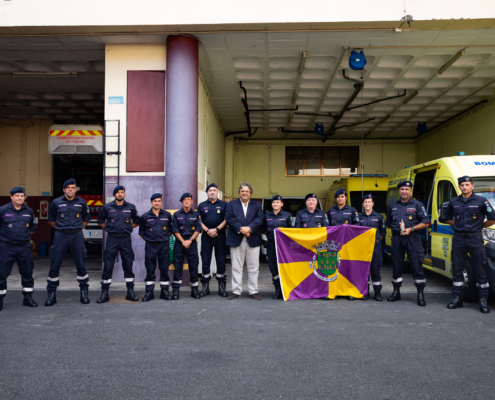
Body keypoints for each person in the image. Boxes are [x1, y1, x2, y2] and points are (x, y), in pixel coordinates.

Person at [443, 176, 495, 313]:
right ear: (459, 187)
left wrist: (479, 226)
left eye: (467, 184)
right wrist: (458, 225)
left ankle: (483, 300)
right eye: (462, 185)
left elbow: (492, 219)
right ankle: (457, 298)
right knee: (458, 268)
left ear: (472, 186)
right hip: (459, 238)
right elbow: (446, 218)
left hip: (475, 239)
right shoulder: (454, 202)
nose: (464, 187)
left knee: (480, 269)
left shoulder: (481, 201)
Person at [45, 178, 91, 306]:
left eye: (73, 188)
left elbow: (86, 218)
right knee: (55, 264)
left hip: (77, 236)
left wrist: (76, 229)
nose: (70, 190)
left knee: (81, 263)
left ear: (75, 190)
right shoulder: (56, 202)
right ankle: (51, 294)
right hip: (60, 236)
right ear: (64, 189)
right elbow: (51, 220)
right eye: (68, 188)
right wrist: (62, 229)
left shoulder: (82, 202)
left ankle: (84, 292)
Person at [386, 181, 429, 306]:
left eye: (406, 189)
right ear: (399, 191)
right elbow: (388, 222)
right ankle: (396, 291)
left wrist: (412, 229)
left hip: (413, 238)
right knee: (397, 265)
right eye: (402, 189)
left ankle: (420, 294)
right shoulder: (393, 206)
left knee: (417, 265)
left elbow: (425, 222)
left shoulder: (417, 205)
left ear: (410, 191)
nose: (404, 191)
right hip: (397, 239)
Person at [96, 185, 140, 304]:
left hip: (126, 239)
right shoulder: (107, 207)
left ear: (124, 194)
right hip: (112, 239)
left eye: (122, 192)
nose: (120, 194)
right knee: (108, 266)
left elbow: (137, 220)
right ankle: (104, 293)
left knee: (128, 265)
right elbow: (100, 221)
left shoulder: (131, 207)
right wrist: (110, 228)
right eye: (118, 192)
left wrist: (127, 228)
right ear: (114, 194)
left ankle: (130, 292)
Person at [0, 187, 38, 311]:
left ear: (24, 197)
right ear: (11, 197)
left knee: (27, 271)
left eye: (22, 196)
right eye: (17, 196)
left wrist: (23, 238)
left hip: (24, 247)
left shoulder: (29, 211)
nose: (20, 198)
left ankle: (27, 297)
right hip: (6, 247)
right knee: (1, 273)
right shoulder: (3, 210)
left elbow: (32, 228)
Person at [225, 183, 263, 300]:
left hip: (253, 238)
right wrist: (242, 230)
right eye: (242, 191)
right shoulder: (231, 204)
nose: (244, 193)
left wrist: (249, 228)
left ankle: (253, 291)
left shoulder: (257, 205)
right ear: (239, 193)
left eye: (247, 191)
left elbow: (259, 219)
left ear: (250, 193)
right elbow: (229, 218)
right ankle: (236, 291)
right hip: (236, 238)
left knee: (253, 267)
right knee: (236, 267)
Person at [138, 193, 173, 302]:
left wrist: (163, 239)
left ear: (161, 202)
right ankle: (149, 292)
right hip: (150, 246)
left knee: (164, 269)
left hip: (164, 246)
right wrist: (151, 240)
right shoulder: (145, 216)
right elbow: (142, 233)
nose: (157, 203)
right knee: (150, 269)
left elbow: (170, 231)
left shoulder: (167, 215)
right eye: (155, 201)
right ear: (151, 202)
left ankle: (165, 292)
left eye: (159, 201)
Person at [197, 183, 228, 298]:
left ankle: (221, 287)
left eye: (214, 190)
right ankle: (205, 288)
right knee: (205, 260)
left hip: (220, 236)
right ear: (207, 193)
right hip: (206, 236)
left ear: (217, 192)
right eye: (210, 190)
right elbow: (199, 221)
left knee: (220, 260)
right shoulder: (201, 205)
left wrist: (216, 229)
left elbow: (227, 219)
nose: (212, 192)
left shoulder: (224, 204)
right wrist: (208, 230)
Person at [261, 195, 292, 299]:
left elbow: (293, 231)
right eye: (274, 202)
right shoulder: (266, 216)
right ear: (271, 204)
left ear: (282, 204)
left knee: (284, 266)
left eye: (278, 202)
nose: (275, 204)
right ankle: (277, 289)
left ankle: (285, 289)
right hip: (271, 244)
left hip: (284, 245)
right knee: (273, 266)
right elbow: (263, 229)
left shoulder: (288, 215)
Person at [172, 193, 202, 300]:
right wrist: (183, 241)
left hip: (192, 243)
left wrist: (189, 240)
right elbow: (175, 230)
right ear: (181, 202)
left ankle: (194, 290)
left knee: (193, 267)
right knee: (177, 267)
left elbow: (198, 229)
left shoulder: (196, 214)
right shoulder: (176, 215)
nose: (187, 201)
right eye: (184, 199)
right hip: (179, 244)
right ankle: (175, 291)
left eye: (189, 199)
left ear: (192, 201)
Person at [358, 193, 386, 301]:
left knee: (375, 270)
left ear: (372, 203)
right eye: (365, 202)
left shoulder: (379, 217)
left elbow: (382, 233)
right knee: (364, 270)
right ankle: (365, 292)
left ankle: (377, 292)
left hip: (375, 247)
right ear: (363, 205)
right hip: (362, 248)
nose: (367, 204)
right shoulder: (359, 218)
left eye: (369, 202)